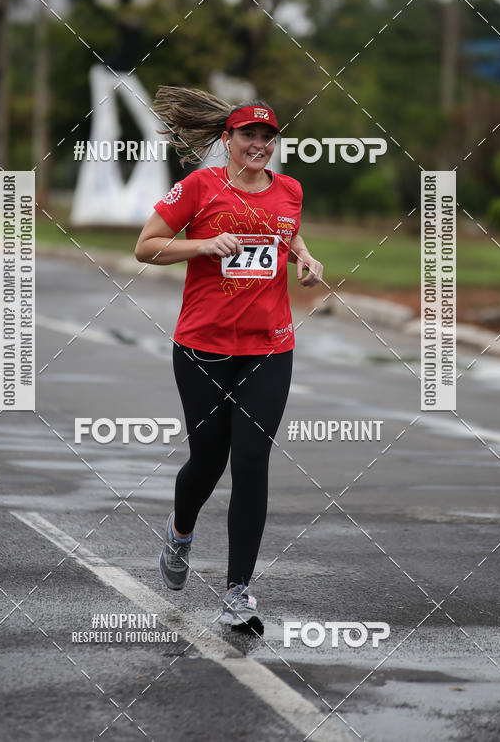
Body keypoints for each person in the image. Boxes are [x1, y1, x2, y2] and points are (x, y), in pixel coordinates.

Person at [135, 87, 323, 633]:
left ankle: (238, 594)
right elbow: (146, 246)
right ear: (228, 140)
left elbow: (285, 233)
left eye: (268, 137)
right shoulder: (200, 185)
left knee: (251, 464)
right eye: (248, 136)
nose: (259, 145)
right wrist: (202, 246)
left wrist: (305, 258)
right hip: (202, 345)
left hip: (269, 346)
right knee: (207, 461)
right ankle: (180, 531)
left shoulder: (290, 190)